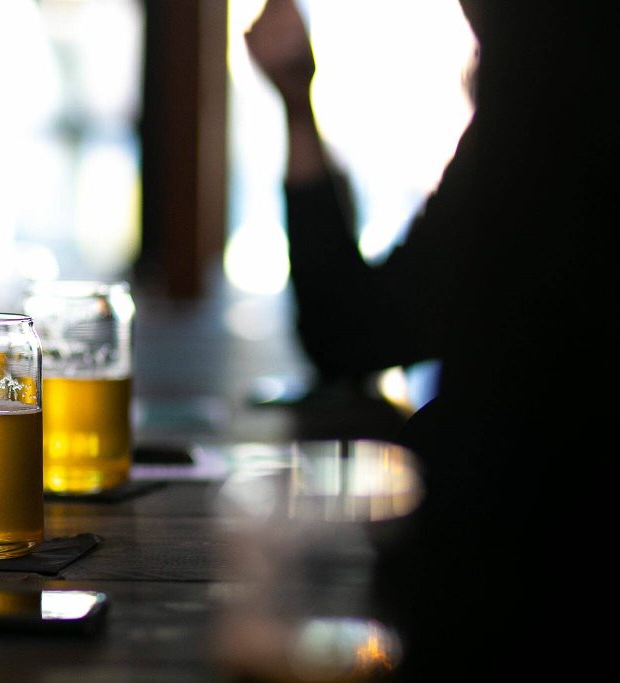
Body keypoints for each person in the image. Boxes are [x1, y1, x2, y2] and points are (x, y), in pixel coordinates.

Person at [246, 1, 615, 679]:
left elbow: (354, 331)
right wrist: (298, 101)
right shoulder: (542, 97)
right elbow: (360, 326)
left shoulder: (554, 101)